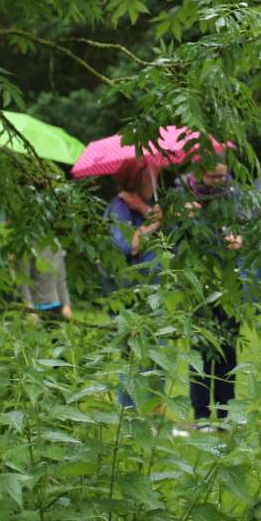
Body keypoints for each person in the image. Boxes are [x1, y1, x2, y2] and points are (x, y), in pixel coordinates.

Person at [182, 162, 246, 429]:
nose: (219, 180)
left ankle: (225, 412)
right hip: (199, 284)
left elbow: (247, 224)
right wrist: (188, 217)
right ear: (200, 174)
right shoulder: (185, 194)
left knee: (228, 350)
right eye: (213, 175)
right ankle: (201, 414)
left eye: (223, 175)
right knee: (200, 352)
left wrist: (240, 239)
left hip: (228, 284)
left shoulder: (235, 196)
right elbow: (176, 240)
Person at [105, 158, 163, 410]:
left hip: (154, 293)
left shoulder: (149, 206)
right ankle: (128, 415)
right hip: (130, 295)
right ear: (137, 178)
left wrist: (147, 211)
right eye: (151, 176)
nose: (155, 181)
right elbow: (126, 245)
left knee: (158, 355)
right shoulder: (119, 208)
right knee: (134, 355)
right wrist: (150, 222)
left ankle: (155, 416)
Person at [22, 244, 71, 321]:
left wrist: (66, 304)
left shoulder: (56, 245)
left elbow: (61, 278)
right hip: (34, 308)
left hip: (55, 306)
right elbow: (23, 281)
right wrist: (29, 308)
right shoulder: (27, 245)